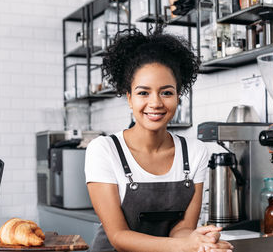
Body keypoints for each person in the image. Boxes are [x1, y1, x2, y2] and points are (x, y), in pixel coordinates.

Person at [85, 27, 233, 252]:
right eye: (143, 93)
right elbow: (118, 236)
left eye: (166, 92)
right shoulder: (104, 150)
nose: (155, 103)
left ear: (178, 96)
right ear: (129, 98)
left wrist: (199, 242)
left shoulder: (195, 152)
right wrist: (184, 246)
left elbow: (183, 229)